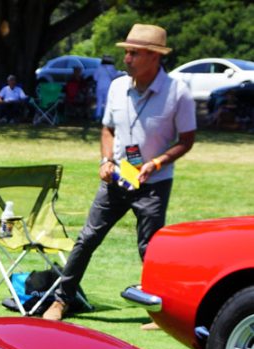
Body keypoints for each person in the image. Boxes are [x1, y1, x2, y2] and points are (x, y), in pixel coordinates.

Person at [43, 24, 195, 322]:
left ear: (154, 56)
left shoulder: (178, 92)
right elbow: (108, 129)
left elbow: (186, 140)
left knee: (151, 249)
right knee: (87, 239)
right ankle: (61, 301)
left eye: (133, 53)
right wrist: (105, 160)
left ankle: (159, 315)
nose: (126, 58)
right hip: (116, 179)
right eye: (126, 52)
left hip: (154, 183)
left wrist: (157, 163)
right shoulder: (116, 86)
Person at [93, 55, 120, 122]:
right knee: (107, 103)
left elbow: (95, 78)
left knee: (99, 102)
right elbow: (114, 76)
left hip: (99, 87)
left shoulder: (99, 68)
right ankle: (106, 117)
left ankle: (98, 116)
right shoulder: (112, 68)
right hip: (108, 87)